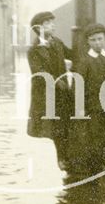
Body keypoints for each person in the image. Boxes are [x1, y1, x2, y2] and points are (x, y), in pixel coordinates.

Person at [71, 23, 105, 185]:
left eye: (100, 39)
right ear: (88, 42)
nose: (97, 43)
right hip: (92, 110)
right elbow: (77, 88)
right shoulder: (84, 61)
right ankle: (97, 176)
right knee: (95, 143)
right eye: (93, 40)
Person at [27, 11, 73, 172]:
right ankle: (62, 159)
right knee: (57, 127)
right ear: (38, 28)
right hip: (47, 95)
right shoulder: (34, 50)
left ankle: (69, 157)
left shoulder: (57, 42)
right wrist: (56, 81)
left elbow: (72, 54)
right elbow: (39, 73)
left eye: (52, 22)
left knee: (68, 122)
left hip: (63, 91)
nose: (52, 25)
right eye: (48, 23)